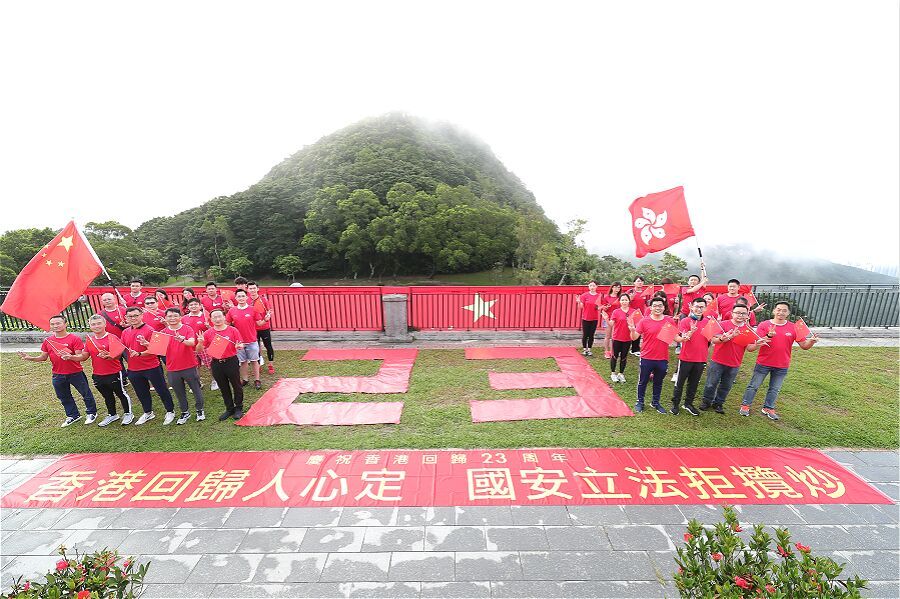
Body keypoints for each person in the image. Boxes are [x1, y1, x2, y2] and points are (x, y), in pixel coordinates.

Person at [740, 301, 819, 420]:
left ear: (788, 313)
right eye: (778, 309)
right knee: (753, 386)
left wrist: (811, 341)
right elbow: (755, 344)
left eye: (784, 310)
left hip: (782, 364)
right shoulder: (764, 325)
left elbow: (804, 346)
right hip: (763, 362)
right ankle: (745, 405)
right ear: (774, 311)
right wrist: (769, 336)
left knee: (774, 389)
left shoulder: (794, 327)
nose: (781, 312)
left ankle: (768, 408)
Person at [17, 315, 98, 427]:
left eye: (58, 323)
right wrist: (29, 358)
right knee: (63, 396)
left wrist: (70, 357)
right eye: (53, 324)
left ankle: (91, 412)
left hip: (75, 372)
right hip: (58, 374)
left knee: (85, 393)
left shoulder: (74, 339)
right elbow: (43, 357)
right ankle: (73, 415)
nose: (55, 326)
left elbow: (80, 356)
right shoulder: (48, 341)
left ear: (65, 324)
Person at [700, 304, 766, 414]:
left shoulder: (748, 330)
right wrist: (726, 337)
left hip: (734, 363)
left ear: (747, 315)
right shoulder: (723, 324)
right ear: (732, 313)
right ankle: (706, 401)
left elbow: (749, 348)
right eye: (738, 313)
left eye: (743, 313)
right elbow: (714, 340)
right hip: (718, 360)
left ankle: (719, 403)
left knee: (726, 386)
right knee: (711, 383)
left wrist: (757, 345)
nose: (740, 315)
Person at [121, 307, 176, 425]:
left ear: (141, 315)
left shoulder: (150, 330)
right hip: (133, 368)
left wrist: (140, 353)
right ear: (126, 318)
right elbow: (123, 348)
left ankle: (170, 411)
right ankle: (148, 412)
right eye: (130, 316)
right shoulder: (125, 332)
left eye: (136, 315)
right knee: (141, 392)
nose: (133, 318)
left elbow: (157, 349)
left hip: (151, 366)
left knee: (161, 390)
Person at [628, 297, 683, 414]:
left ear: (664, 307)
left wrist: (686, 337)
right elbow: (634, 337)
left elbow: (676, 338)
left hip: (662, 358)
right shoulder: (644, 321)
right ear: (651, 308)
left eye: (660, 305)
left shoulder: (669, 321)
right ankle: (640, 402)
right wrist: (632, 330)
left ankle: (655, 402)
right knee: (643, 381)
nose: (657, 308)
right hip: (646, 357)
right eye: (655, 306)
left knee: (658, 382)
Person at [83, 315, 133, 426]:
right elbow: (84, 356)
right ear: (90, 326)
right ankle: (112, 415)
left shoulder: (112, 337)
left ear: (105, 324)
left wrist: (109, 356)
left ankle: (128, 413)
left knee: (121, 394)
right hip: (98, 374)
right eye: (93, 324)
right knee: (107, 396)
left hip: (114, 372)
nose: (96, 326)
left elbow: (118, 355)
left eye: (99, 323)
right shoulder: (90, 340)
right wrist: (71, 357)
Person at [199, 308, 246, 420]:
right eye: (214, 317)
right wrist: (200, 342)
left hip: (231, 361)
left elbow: (241, 344)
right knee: (223, 387)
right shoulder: (208, 333)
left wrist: (239, 346)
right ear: (211, 319)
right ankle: (229, 408)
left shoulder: (232, 330)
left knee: (236, 385)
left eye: (219, 316)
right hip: (216, 363)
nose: (217, 319)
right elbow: (199, 349)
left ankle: (238, 407)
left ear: (224, 317)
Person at [670, 297, 711, 416]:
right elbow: (683, 337)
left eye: (702, 307)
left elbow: (710, 339)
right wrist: (690, 332)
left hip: (701, 359)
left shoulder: (708, 322)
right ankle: (675, 404)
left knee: (694, 383)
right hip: (686, 358)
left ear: (705, 308)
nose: (699, 309)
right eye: (697, 306)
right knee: (680, 382)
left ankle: (688, 403)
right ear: (692, 307)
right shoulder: (685, 321)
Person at [163, 308, 204, 424]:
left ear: (180, 317)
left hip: (189, 365)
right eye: (169, 316)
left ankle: (200, 410)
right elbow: (158, 349)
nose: (172, 318)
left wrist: (182, 340)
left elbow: (191, 343)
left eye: (175, 316)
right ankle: (185, 412)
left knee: (196, 389)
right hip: (172, 368)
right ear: (166, 318)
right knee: (179, 392)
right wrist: (147, 344)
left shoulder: (187, 329)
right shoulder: (163, 332)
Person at [227, 289, 263, 389]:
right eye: (239, 296)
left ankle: (257, 380)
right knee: (243, 362)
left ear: (246, 297)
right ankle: (245, 379)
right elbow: (227, 324)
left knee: (254, 360)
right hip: (239, 342)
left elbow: (259, 323)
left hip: (252, 340)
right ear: (236, 298)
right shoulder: (232, 310)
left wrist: (265, 319)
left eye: (243, 296)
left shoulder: (253, 309)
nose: (241, 298)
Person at [182, 297, 216, 391]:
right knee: (194, 366)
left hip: (204, 346)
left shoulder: (206, 316)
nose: (193, 306)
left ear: (200, 306)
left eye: (195, 304)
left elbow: (214, 331)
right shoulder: (184, 318)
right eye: (191, 305)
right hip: (191, 346)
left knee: (210, 365)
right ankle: (198, 382)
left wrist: (208, 327)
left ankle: (215, 380)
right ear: (188, 307)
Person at [606, 292, 638, 383]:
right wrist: (606, 319)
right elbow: (611, 324)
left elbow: (638, 323)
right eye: (622, 300)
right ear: (619, 301)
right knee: (614, 356)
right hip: (617, 337)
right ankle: (613, 373)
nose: (624, 302)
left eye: (626, 300)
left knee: (624, 357)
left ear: (629, 301)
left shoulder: (633, 312)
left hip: (627, 338)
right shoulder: (616, 312)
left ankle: (621, 373)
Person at [248, 281, 276, 374]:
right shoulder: (247, 300)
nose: (252, 290)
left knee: (268, 345)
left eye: (254, 288)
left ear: (257, 289)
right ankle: (258, 364)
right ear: (247, 290)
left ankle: (271, 364)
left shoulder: (263, 300)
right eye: (250, 288)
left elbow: (270, 310)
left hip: (264, 327)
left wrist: (268, 315)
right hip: (253, 328)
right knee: (255, 347)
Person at [575, 281, 601, 356]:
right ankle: (584, 349)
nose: (592, 287)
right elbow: (581, 307)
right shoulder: (584, 295)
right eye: (590, 285)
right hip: (585, 318)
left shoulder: (599, 296)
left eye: (594, 285)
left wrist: (601, 307)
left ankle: (589, 349)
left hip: (594, 318)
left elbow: (599, 307)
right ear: (588, 286)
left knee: (591, 335)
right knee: (585, 334)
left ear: (597, 286)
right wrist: (579, 302)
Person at [601, 282, 622, 359]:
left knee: (615, 336)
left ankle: (614, 351)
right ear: (612, 288)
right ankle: (607, 351)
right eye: (615, 287)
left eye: (618, 287)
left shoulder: (620, 297)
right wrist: (606, 308)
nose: (617, 289)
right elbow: (603, 308)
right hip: (608, 318)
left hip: (618, 319)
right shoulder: (607, 297)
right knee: (608, 336)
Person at [628, 276, 648, 356]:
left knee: (638, 331)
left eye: (641, 281)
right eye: (638, 281)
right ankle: (625, 347)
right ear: (634, 283)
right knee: (628, 331)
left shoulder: (645, 292)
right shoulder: (630, 291)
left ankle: (635, 349)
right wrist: (631, 298)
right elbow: (624, 302)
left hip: (640, 315)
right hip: (630, 314)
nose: (640, 283)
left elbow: (648, 303)